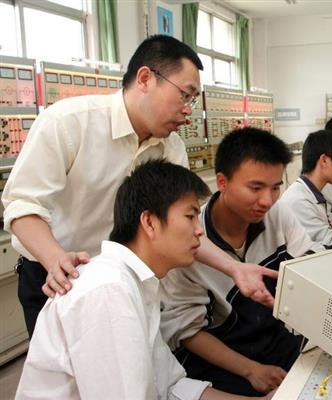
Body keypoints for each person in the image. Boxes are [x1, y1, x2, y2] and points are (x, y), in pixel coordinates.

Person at [2, 35, 274, 338]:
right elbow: (22, 205)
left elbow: (183, 226)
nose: (189, 110)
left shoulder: (171, 148)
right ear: (145, 78)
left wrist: (234, 268)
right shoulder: (69, 123)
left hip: (124, 278)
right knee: (64, 365)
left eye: (193, 100)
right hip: (57, 276)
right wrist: (55, 259)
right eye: (185, 95)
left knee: (126, 360)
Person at [16, 160, 272, 400]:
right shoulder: (108, 289)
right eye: (189, 216)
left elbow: (171, 386)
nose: (199, 230)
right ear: (149, 222)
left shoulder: (137, 283)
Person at [160, 128, 323, 397]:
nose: (267, 200)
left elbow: (308, 264)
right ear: (222, 182)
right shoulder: (189, 242)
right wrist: (251, 370)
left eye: (275, 187)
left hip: (275, 339)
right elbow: (187, 332)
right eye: (255, 188)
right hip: (225, 357)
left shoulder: (278, 214)